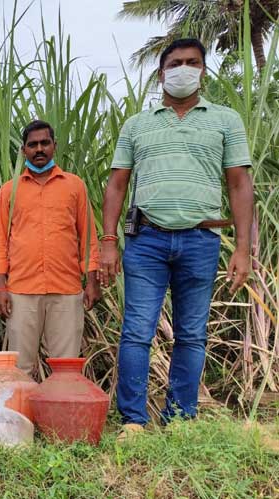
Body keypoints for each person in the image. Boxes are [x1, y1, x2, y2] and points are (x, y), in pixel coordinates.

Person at [99, 38, 253, 437]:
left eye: (192, 62)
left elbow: (239, 184)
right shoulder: (137, 124)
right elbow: (116, 185)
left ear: (203, 69)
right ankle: (133, 419)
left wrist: (242, 248)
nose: (183, 69)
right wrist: (108, 241)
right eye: (175, 63)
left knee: (191, 333)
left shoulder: (224, 120)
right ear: (161, 71)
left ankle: (180, 418)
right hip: (146, 240)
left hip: (201, 242)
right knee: (137, 330)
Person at [0, 120, 101, 375]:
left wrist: (92, 280)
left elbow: (87, 237)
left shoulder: (74, 186)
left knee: (66, 368)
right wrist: (0, 286)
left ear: (54, 146)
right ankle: (23, 416)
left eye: (44, 143)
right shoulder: (10, 190)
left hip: (66, 289)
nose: (39, 149)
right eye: (32, 145)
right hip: (21, 290)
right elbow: (0, 242)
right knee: (20, 369)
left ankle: (58, 416)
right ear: (23, 151)